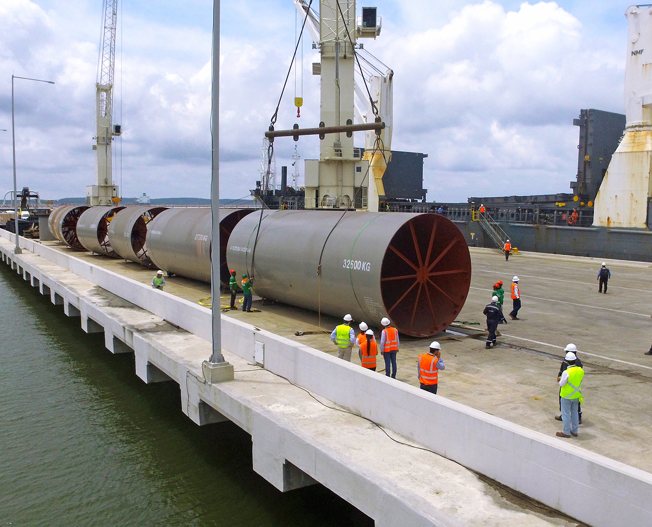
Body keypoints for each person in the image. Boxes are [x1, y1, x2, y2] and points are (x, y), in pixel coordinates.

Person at [556, 345, 585, 438]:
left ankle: (566, 432)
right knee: (575, 413)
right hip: (576, 395)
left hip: (566, 395)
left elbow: (561, 384)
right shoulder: (580, 370)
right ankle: (574, 431)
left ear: (567, 361)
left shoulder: (567, 372)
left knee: (566, 414)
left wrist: (559, 379)